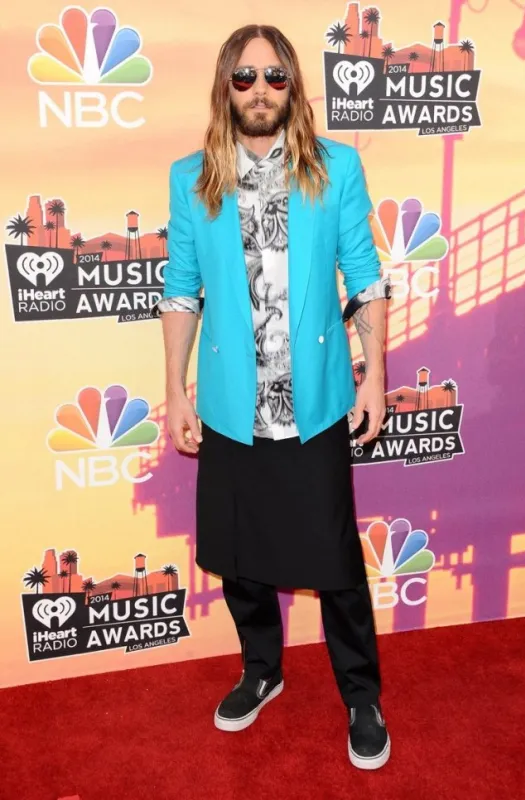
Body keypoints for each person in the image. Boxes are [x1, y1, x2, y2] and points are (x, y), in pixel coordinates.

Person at [155, 24, 392, 770]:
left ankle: (361, 695)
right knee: (240, 556)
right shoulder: (193, 178)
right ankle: (261, 670)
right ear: (225, 87)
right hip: (231, 405)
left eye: (274, 77)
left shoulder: (335, 167)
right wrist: (175, 391)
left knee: (337, 564)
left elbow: (365, 276)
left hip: (315, 400)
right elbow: (180, 289)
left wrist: (375, 376)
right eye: (245, 77)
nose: (260, 90)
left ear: (292, 85)